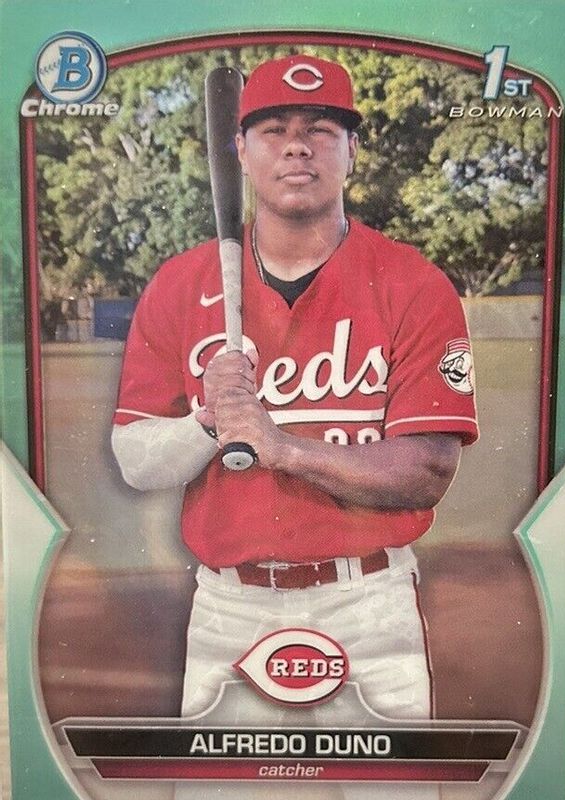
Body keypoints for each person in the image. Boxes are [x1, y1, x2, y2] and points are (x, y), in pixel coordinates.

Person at [112, 53, 478, 799]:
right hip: (230, 608)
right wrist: (209, 423)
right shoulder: (180, 286)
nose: (297, 147)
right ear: (240, 152)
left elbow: (428, 468)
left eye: (321, 129)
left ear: (352, 150)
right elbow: (135, 460)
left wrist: (280, 447)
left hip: (368, 604)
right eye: (274, 129)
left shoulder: (414, 284)